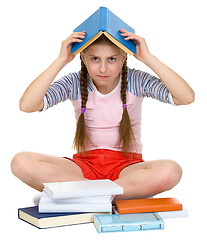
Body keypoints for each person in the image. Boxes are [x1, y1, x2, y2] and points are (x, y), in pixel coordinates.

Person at [11, 29, 194, 200]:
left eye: (112, 59)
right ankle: (106, 195)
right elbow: (27, 105)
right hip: (83, 167)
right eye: (95, 59)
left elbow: (186, 97)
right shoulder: (74, 82)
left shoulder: (136, 80)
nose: (103, 69)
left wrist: (148, 58)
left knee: (171, 170)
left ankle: (84, 194)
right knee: (21, 162)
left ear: (124, 59)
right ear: (83, 58)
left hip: (127, 169)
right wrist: (61, 60)